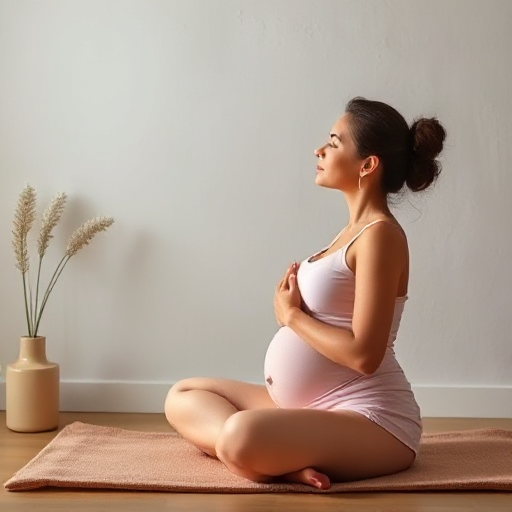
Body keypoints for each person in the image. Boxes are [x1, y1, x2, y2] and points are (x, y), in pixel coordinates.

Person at [164, 96, 447, 490]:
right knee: (183, 394)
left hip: (371, 419)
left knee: (238, 434)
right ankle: (283, 461)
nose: (320, 149)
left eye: (334, 142)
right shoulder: (349, 234)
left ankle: (262, 453)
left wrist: (291, 316)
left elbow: (365, 356)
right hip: (306, 406)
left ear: (368, 164)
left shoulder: (380, 236)